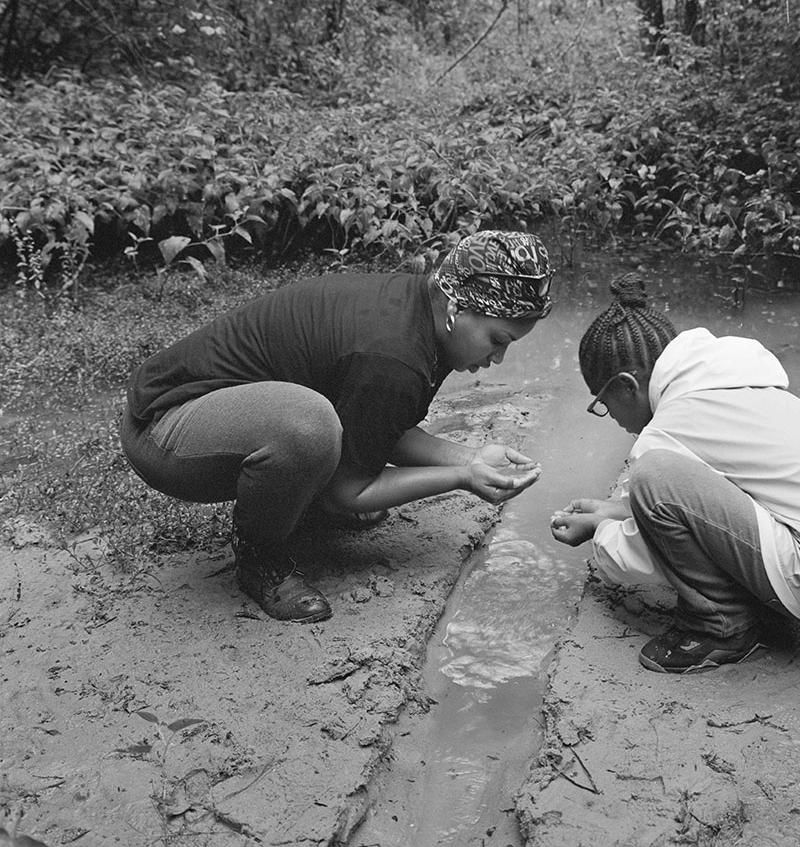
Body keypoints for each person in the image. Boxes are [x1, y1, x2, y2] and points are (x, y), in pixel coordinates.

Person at [120, 230, 553, 624]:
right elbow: (350, 491)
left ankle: (300, 507)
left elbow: (381, 427)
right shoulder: (394, 356)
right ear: (458, 307)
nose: (498, 359)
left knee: (318, 424)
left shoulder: (421, 309)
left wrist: (471, 457)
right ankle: (260, 557)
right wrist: (461, 477)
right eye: (498, 340)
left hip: (217, 413)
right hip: (165, 430)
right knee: (309, 426)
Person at [550, 273, 800, 673]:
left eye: (605, 406)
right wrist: (613, 509)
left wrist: (601, 535)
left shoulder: (669, 429)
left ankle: (721, 628)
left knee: (652, 476)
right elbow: (712, 501)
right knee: (656, 486)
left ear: (627, 386)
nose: (612, 419)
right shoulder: (726, 377)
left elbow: (641, 557)